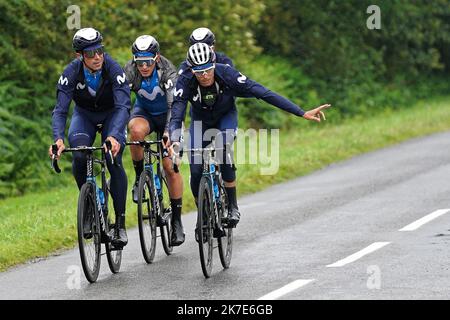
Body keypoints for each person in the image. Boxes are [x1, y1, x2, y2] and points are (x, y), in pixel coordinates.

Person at [169, 43, 331, 233]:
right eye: (198, 71)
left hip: (225, 117)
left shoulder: (228, 75)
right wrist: (175, 140)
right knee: (196, 168)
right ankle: (203, 216)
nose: (204, 75)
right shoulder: (185, 80)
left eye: (207, 69)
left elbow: (263, 93)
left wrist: (301, 112)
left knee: (222, 148)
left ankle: (232, 206)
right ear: (191, 69)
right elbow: (177, 113)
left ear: (214, 63)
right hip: (200, 121)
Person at [49, 27, 130, 247]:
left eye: (100, 51)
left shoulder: (113, 68)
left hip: (113, 114)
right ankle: (88, 206)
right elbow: (60, 110)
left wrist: (114, 136)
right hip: (84, 116)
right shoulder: (71, 73)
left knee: (113, 159)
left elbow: (124, 105)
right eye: (90, 54)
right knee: (79, 155)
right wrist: (57, 139)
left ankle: (120, 225)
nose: (97, 57)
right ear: (80, 56)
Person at [123, 35, 185, 245]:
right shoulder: (130, 71)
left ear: (156, 57)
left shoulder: (168, 71)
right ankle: (140, 176)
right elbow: (121, 102)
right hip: (145, 113)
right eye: (140, 62)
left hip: (170, 116)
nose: (144, 66)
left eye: (148, 61)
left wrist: (169, 132)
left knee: (170, 166)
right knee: (136, 132)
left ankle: (177, 221)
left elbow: (173, 107)